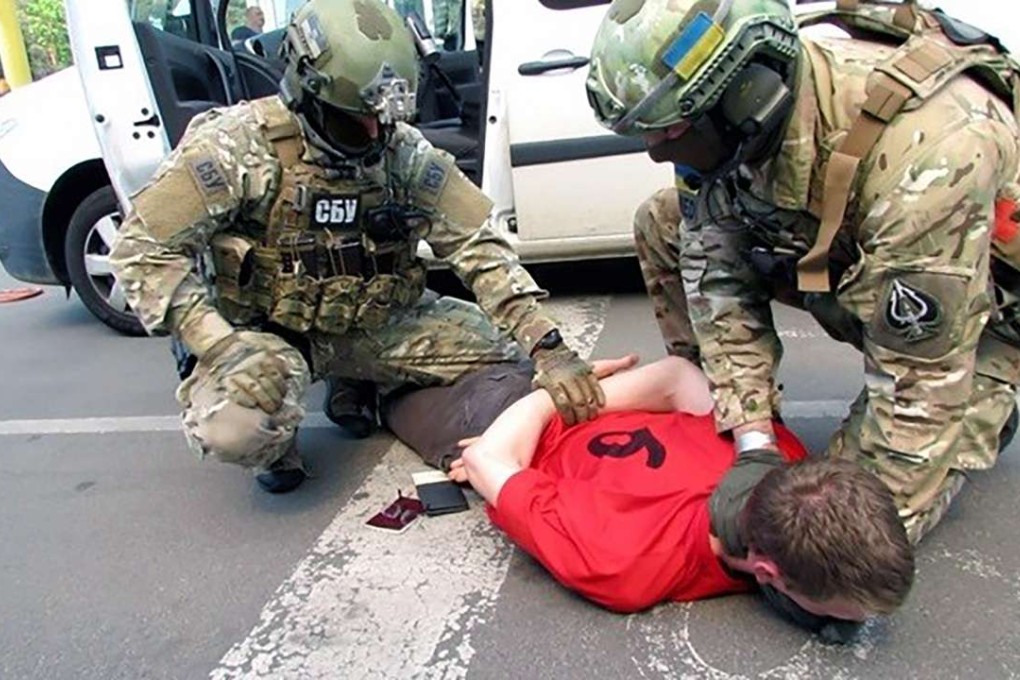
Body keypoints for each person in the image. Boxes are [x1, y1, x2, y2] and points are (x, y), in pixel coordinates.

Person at [109, 0, 601, 494]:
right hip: (271, 335)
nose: (372, 133)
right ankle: (278, 443)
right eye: (354, 121)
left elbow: (479, 245)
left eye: (380, 120)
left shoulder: (401, 151)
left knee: (511, 359)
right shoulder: (235, 146)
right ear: (307, 93)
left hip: (379, 324)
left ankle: (360, 383)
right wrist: (219, 343)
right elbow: (141, 249)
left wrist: (547, 345)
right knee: (237, 427)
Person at [584, 0, 1020, 544]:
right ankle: (710, 406)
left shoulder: (933, 154)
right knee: (663, 219)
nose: (654, 152)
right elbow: (715, 273)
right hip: (855, 262)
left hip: (980, 319)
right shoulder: (732, 119)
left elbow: (918, 383)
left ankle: (991, 394)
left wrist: (846, 555)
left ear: (750, 94)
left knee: (830, 536)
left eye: (670, 132)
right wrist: (753, 442)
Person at [387, 355, 914, 640]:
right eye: (839, 614)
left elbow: (484, 461)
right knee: (393, 368)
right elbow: (676, 376)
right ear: (769, 573)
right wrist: (565, 397)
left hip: (502, 413)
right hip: (527, 407)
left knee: (396, 390)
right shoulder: (629, 561)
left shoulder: (781, 462)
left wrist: (556, 408)